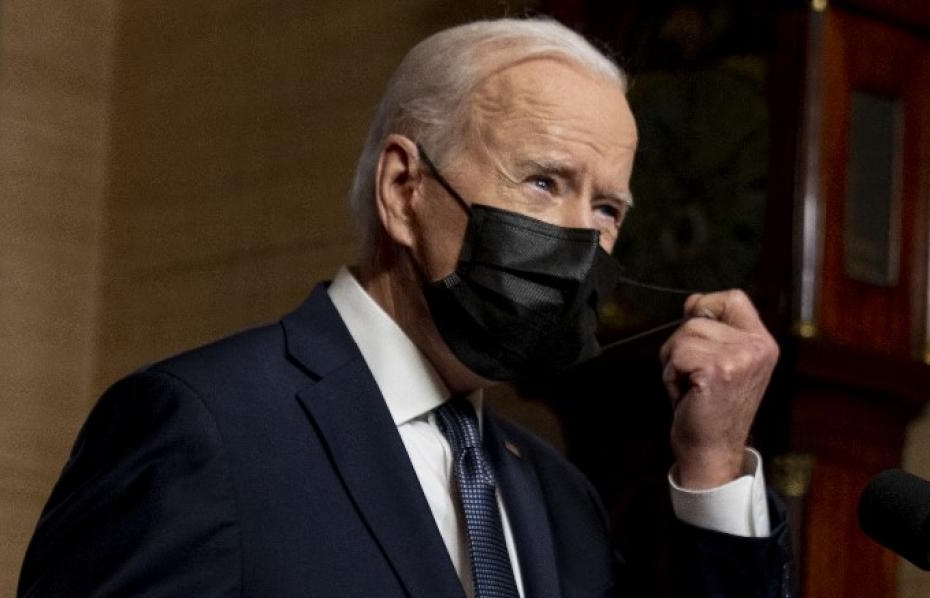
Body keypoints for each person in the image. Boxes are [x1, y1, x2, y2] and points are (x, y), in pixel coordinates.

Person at [18, 17, 790, 598]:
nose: (581, 239)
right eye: (543, 182)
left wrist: (714, 465)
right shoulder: (204, 429)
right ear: (402, 189)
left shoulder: (563, 501)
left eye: (608, 208)